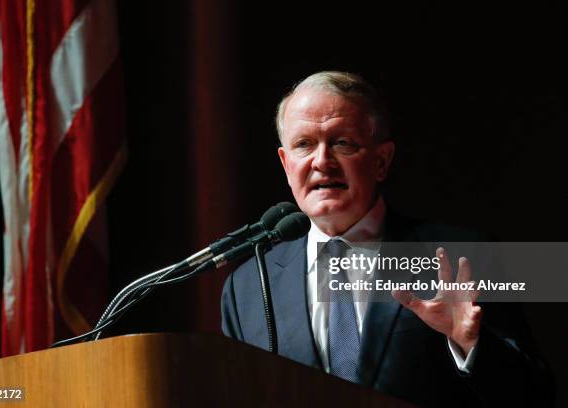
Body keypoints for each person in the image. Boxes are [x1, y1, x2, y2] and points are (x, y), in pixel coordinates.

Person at [221, 71, 553, 406]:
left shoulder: (463, 256)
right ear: (286, 163)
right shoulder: (248, 287)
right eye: (304, 144)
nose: (322, 161)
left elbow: (536, 397)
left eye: (342, 143)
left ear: (381, 160)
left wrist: (472, 344)